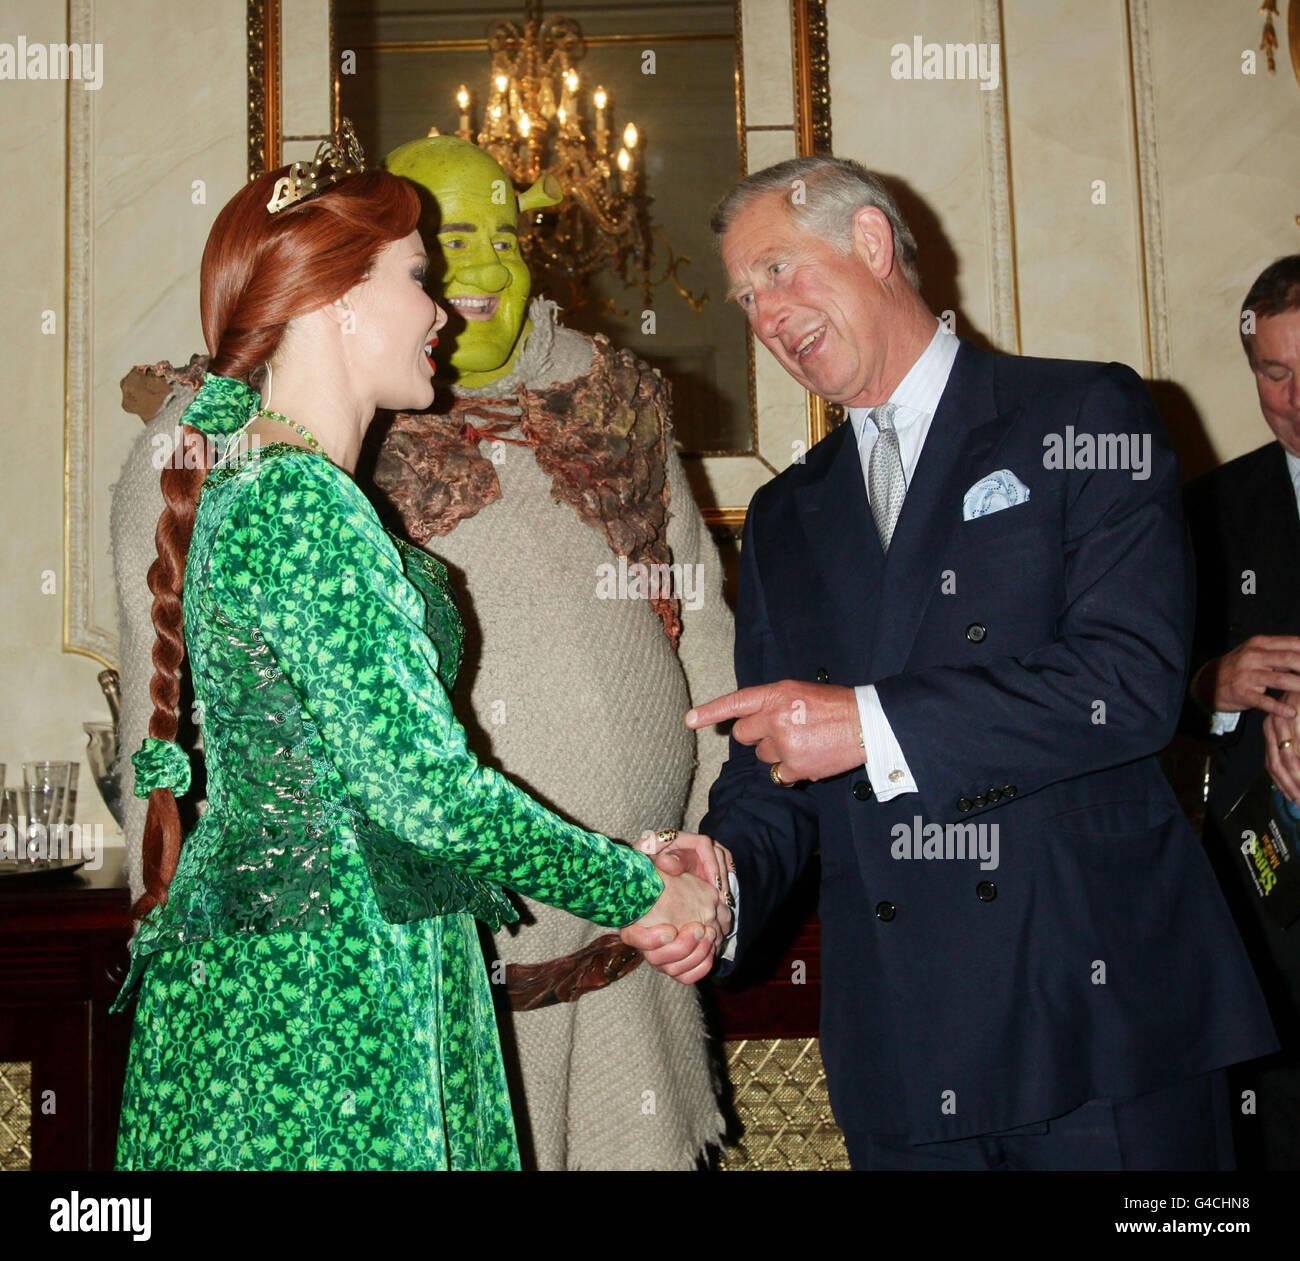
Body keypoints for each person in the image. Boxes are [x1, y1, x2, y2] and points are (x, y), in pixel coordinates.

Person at [627, 154, 1279, 1170]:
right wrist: (722, 878)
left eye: (782, 272)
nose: (765, 313)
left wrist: (871, 722)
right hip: (901, 1041)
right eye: (746, 296)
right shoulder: (791, 513)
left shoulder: (1082, 414)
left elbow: (1127, 686)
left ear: (874, 245)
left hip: (1093, 1015)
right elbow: (774, 760)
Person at [108, 129, 726, 1171]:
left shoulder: (264, 479)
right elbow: (432, 796)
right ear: (333, 298)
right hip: (337, 995)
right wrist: (641, 888)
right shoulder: (301, 501)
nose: (440, 308)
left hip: (299, 970)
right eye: (414, 276)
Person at [369, 135, 734, 1170]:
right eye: (438, 243)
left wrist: (707, 864)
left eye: (498, 234)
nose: (477, 270)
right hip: (439, 989)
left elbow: (707, 646)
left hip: (640, 962)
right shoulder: (321, 431)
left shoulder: (612, 402)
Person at [1183, 254, 1300, 1170]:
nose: (1296, 397)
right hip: (1269, 905)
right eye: (1274, 372)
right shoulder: (1205, 516)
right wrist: (1208, 684)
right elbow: (1129, 697)